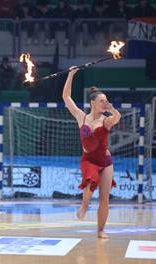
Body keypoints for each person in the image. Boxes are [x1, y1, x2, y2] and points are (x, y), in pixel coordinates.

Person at [62, 68, 121, 239]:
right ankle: (84, 205)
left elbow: (117, 118)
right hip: (89, 160)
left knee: (105, 199)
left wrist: (112, 109)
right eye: (102, 101)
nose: (105, 103)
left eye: (106, 101)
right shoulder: (81, 117)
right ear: (93, 103)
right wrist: (71, 75)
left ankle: (100, 230)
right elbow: (66, 97)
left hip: (106, 161)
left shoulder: (106, 120)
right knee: (89, 182)